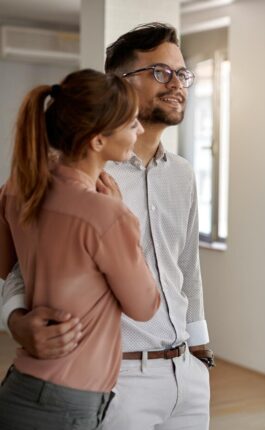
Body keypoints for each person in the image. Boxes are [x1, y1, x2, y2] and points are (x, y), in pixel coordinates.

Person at [1, 23, 212, 430]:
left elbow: (186, 267)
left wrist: (200, 352)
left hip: (186, 373)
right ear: (118, 83)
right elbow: (22, 259)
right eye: (160, 72)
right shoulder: (69, 173)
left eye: (182, 74)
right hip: (115, 378)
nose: (177, 84)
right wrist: (14, 318)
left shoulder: (183, 174)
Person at [0, 69, 161, 430]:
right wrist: (125, 220)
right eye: (131, 123)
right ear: (97, 140)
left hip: (21, 388)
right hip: (66, 404)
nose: (139, 131)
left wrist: (13, 319)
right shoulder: (108, 214)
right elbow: (145, 305)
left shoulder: (15, 190)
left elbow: (7, 268)